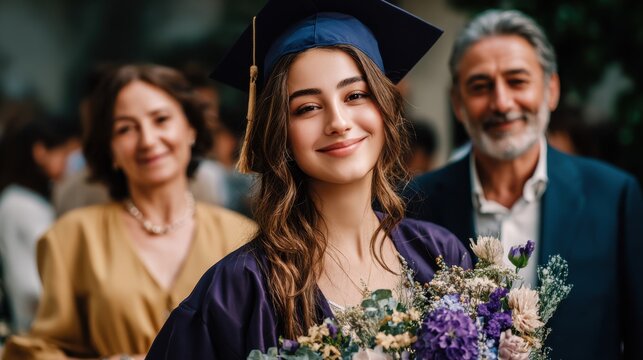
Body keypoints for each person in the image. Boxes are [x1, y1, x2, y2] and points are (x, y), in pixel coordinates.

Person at [145, 0, 472, 358]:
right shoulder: (237, 291)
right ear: (279, 130)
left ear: (384, 107)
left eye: (355, 95)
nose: (338, 121)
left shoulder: (440, 255)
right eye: (307, 108)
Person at [406, 9, 643, 359]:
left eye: (517, 81)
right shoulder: (414, 203)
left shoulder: (614, 197)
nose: (501, 103)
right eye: (480, 86)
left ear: (551, 90)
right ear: (458, 103)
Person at [2, 64, 256, 359]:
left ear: (191, 129)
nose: (148, 140)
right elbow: (39, 350)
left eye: (161, 119)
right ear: (110, 150)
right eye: (125, 128)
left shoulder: (243, 237)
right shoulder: (73, 237)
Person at [0, 109, 78, 335]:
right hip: (38, 329)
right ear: (40, 152)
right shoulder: (22, 206)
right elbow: (32, 283)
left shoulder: (23, 200)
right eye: (66, 154)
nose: (69, 165)